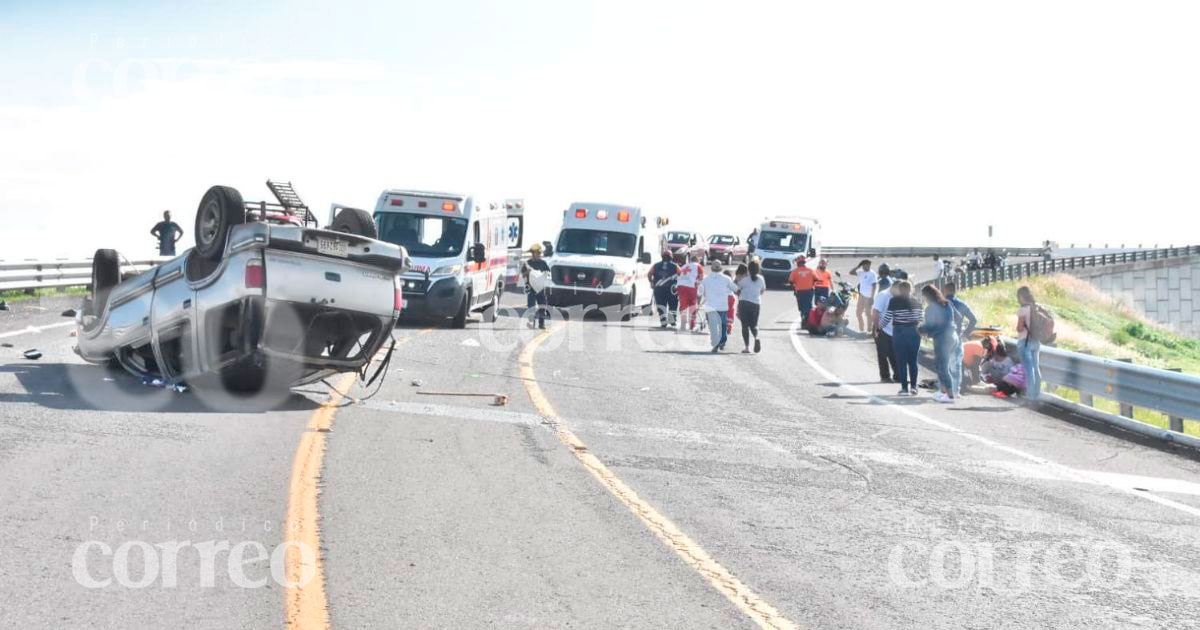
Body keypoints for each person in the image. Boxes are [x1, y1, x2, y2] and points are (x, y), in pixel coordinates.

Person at [919, 284, 960, 403]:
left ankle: (950, 395)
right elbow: (958, 316)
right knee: (941, 365)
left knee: (942, 366)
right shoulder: (947, 304)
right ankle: (943, 391)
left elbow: (930, 325)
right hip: (953, 337)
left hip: (942, 339)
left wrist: (920, 328)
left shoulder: (931, 308)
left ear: (927, 296)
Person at [880, 281, 922, 395]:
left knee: (901, 361)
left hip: (899, 333)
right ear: (911, 289)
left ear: (899, 290)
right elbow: (920, 320)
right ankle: (914, 387)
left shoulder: (894, 301)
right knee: (913, 361)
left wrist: (879, 327)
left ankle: (904, 388)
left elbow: (887, 318)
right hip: (914, 332)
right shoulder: (917, 301)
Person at [943, 281, 978, 395]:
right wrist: (966, 334)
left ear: (945, 291)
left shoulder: (941, 303)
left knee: (945, 365)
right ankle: (956, 391)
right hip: (957, 337)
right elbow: (973, 320)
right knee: (957, 365)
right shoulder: (962, 304)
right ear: (955, 290)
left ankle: (945, 390)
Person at [871, 269, 904, 382]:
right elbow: (875, 313)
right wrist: (876, 329)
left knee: (894, 354)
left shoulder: (898, 296)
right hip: (881, 328)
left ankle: (898, 376)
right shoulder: (883, 295)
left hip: (894, 330)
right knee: (883, 354)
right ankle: (885, 377)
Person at [700, 260, 737, 352]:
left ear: (711, 268)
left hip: (710, 307)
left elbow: (699, 293)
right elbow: (735, 289)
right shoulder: (727, 279)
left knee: (713, 327)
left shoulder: (705, 280)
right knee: (723, 325)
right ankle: (722, 341)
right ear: (721, 268)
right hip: (722, 307)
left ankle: (715, 344)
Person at [1016, 285, 1043, 400]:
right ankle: (1037, 394)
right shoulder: (1036, 307)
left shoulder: (1023, 309)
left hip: (1025, 342)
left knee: (1029, 369)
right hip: (1036, 341)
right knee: (1036, 368)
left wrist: (1017, 328)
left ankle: (1031, 396)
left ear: (1021, 296)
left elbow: (1020, 328)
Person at [735, 260, 765, 353]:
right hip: (756, 303)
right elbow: (762, 291)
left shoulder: (744, 280)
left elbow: (737, 290)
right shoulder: (761, 279)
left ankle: (747, 347)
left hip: (744, 303)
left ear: (748, 269)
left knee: (745, 326)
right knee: (754, 325)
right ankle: (756, 337)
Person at [521, 243, 551, 329]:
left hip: (541, 288)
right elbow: (523, 275)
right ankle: (532, 322)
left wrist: (545, 275)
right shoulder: (527, 263)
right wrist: (528, 272)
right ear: (533, 254)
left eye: (539, 253)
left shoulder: (543, 263)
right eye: (537, 253)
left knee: (542, 305)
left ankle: (541, 323)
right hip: (531, 287)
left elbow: (548, 273)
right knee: (531, 306)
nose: (539, 254)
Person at [650, 251, 681, 328]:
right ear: (671, 257)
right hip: (672, 289)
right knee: (673, 304)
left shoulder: (655, 265)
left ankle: (663, 321)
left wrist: (651, 282)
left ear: (662, 257)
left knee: (661, 305)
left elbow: (649, 274)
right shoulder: (676, 266)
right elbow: (681, 275)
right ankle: (672, 320)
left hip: (659, 289)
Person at [677, 253, 704, 332]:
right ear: (698, 260)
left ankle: (683, 324)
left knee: (683, 305)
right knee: (693, 305)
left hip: (681, 286)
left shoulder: (684, 266)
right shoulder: (698, 266)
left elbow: (679, 275)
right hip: (691, 286)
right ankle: (692, 324)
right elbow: (701, 278)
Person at [849, 259, 877, 332]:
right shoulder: (861, 272)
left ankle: (869, 329)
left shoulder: (872, 274)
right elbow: (851, 272)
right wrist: (858, 266)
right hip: (861, 296)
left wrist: (872, 297)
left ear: (869, 265)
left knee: (868, 314)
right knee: (858, 313)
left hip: (868, 297)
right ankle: (861, 327)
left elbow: (874, 286)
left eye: (867, 265)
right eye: (864, 265)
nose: (865, 267)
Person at [788, 255, 816, 324]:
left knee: (802, 307)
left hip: (799, 292)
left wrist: (795, 286)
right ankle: (808, 320)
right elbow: (817, 279)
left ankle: (804, 319)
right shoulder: (810, 270)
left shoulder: (794, 271)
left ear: (797, 263)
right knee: (809, 306)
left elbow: (791, 281)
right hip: (809, 291)